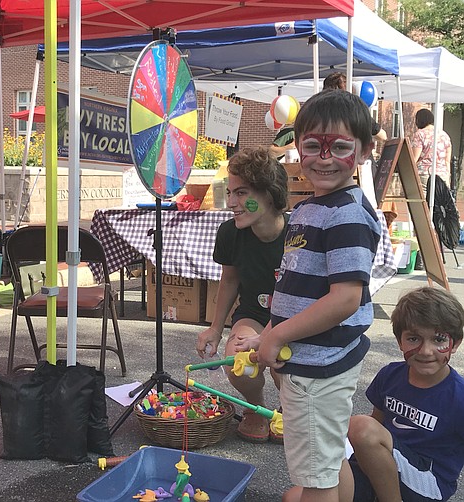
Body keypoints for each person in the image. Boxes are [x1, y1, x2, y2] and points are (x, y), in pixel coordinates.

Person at [258, 89, 382, 502]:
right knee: (330, 461)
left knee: (315, 480)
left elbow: (345, 298)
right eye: (313, 146)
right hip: (311, 361)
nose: (324, 157)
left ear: (363, 152)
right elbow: (297, 282)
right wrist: (273, 329)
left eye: (340, 147)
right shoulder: (314, 206)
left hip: (319, 367)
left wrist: (277, 336)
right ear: (297, 147)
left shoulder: (345, 213)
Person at [336, 287, 464, 502]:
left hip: (427, 482)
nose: (425, 351)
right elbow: (377, 423)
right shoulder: (390, 374)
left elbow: (367, 431)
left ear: (455, 345)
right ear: (399, 341)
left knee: (360, 427)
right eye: (413, 339)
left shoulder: (459, 397)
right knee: (295, 497)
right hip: (380, 467)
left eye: (439, 340)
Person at [196, 146, 288, 443]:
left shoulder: (299, 235)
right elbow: (230, 280)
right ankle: (256, 408)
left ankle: (290, 410)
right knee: (238, 360)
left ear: (269, 194)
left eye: (242, 193)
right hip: (255, 315)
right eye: (231, 192)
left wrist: (272, 337)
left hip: (295, 319)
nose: (232, 202)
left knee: (284, 364)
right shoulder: (230, 233)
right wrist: (214, 327)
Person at [411, 108, 453, 190]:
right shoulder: (444, 135)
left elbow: (414, 158)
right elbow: (447, 160)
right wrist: (448, 175)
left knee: (424, 201)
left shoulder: (420, 134)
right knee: (440, 201)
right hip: (442, 174)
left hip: (425, 173)